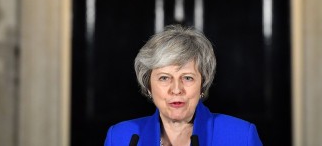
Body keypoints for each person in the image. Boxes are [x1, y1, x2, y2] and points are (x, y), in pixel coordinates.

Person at [104, 25, 263, 146]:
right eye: (164, 78)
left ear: (202, 84)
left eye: (187, 78)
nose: (176, 89)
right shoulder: (120, 137)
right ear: (148, 86)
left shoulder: (241, 136)